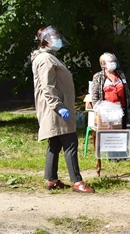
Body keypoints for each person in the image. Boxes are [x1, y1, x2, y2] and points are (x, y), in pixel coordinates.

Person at [31, 25, 94, 193]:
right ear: (46, 40)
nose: (58, 40)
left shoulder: (50, 57)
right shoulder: (45, 59)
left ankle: (52, 180)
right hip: (56, 108)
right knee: (70, 142)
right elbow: (47, 86)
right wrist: (59, 107)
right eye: (55, 37)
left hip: (57, 107)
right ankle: (77, 182)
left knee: (55, 143)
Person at [91, 52, 130, 129]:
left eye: (114, 61)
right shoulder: (98, 77)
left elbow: (127, 91)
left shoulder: (120, 74)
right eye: (110, 62)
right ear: (103, 64)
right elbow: (95, 95)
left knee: (121, 134)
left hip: (121, 110)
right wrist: (97, 110)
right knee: (108, 135)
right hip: (106, 112)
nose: (113, 63)